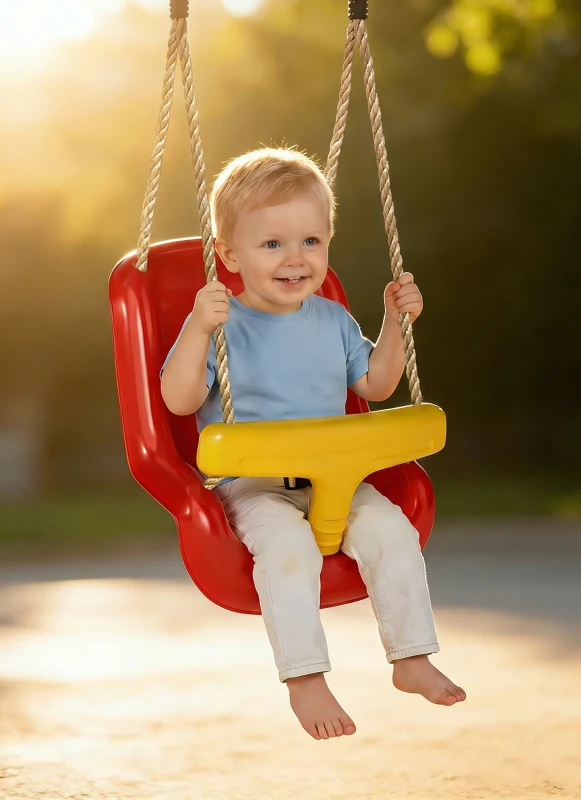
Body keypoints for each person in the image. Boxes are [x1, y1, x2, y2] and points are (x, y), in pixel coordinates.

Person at [161, 147, 466, 741]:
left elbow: (375, 385)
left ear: (327, 242)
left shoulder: (332, 320)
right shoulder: (222, 323)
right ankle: (305, 678)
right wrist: (198, 327)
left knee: (393, 532)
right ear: (228, 255)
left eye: (310, 242)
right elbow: (179, 399)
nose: (295, 258)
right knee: (287, 550)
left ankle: (410, 657)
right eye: (271, 244)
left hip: (339, 480)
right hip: (256, 486)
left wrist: (396, 325)